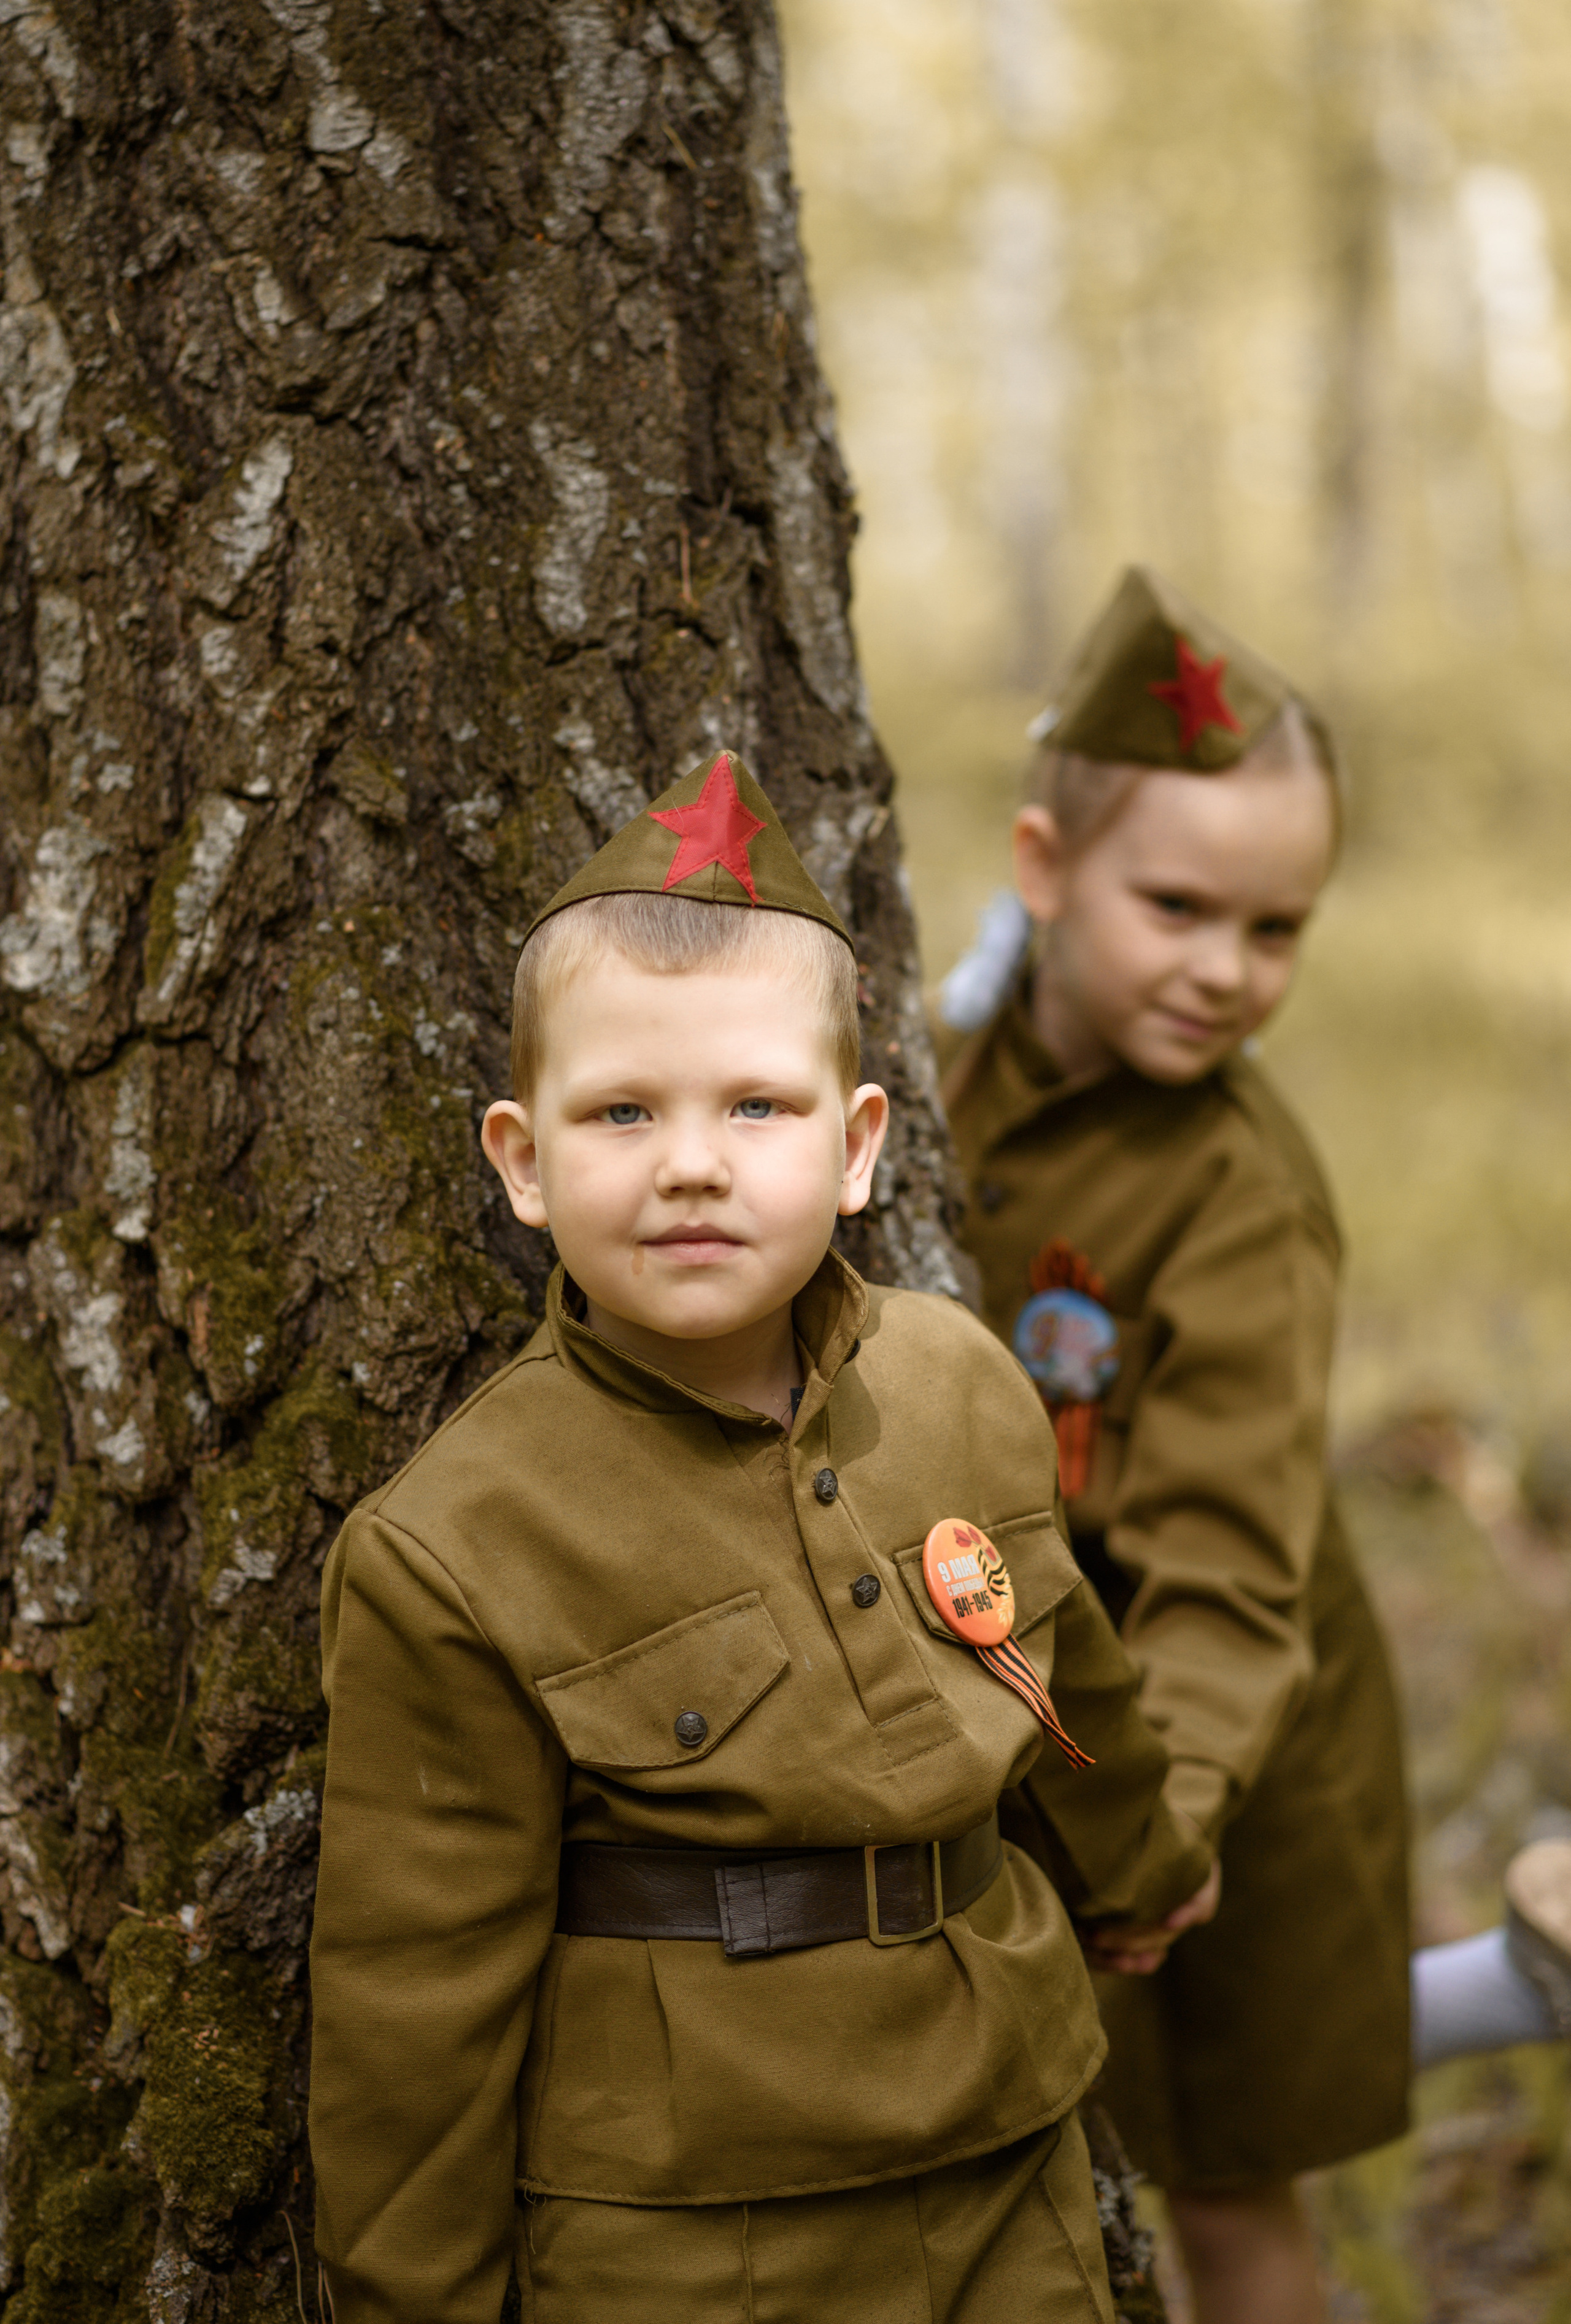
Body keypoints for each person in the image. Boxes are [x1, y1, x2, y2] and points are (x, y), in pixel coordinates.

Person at [307, 748, 1218, 2324]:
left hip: (1005, 2146)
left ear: (857, 1146)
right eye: (620, 1111)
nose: (690, 1161)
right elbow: (414, 1990)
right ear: (521, 1163)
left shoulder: (956, 1383)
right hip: (696, 2227)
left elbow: (1068, 1673)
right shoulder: (456, 1543)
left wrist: (1142, 1871)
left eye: (754, 1103)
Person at [936, 568, 1410, 2324]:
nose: (1226, 970)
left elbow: (1226, 1568)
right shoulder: (948, 1073)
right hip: (1050, 1715)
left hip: (1225, 1756)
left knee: (1220, 2191)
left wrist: (1173, 1819)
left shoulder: (1238, 1196)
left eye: (1276, 928)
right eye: (1181, 905)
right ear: (1045, 869)